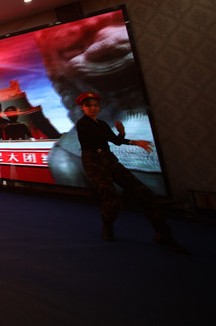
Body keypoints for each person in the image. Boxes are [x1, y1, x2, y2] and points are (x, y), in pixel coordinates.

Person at [75, 91, 188, 253]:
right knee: (112, 200)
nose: (93, 108)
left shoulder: (102, 124)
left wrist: (122, 133)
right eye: (88, 105)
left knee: (144, 193)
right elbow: (103, 137)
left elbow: (115, 141)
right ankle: (107, 226)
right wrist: (133, 141)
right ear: (82, 107)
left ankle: (163, 233)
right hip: (93, 162)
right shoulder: (83, 123)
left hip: (109, 159)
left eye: (95, 105)